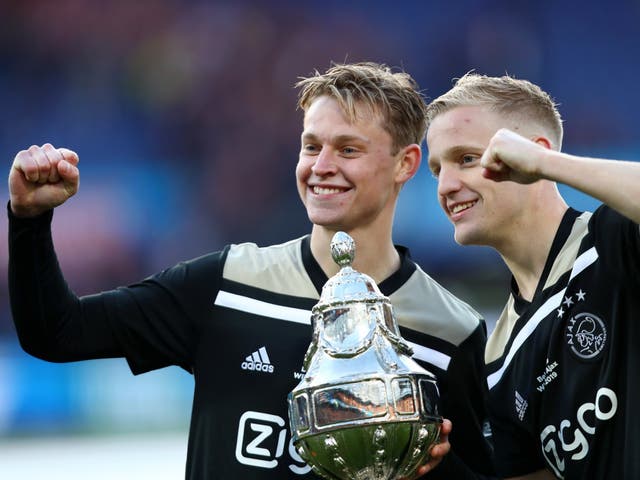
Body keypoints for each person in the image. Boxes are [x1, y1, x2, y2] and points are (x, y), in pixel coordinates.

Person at [8, 62, 495, 479]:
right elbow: (56, 332)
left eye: (348, 149)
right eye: (311, 146)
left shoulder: (449, 330)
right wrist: (29, 221)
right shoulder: (228, 285)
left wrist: (435, 466)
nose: (321, 166)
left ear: (405, 163)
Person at [425, 72, 640, 480]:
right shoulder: (497, 353)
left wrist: (549, 166)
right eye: (437, 169)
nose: (446, 186)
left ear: (532, 156)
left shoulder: (612, 242)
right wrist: (436, 464)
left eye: (466, 159)